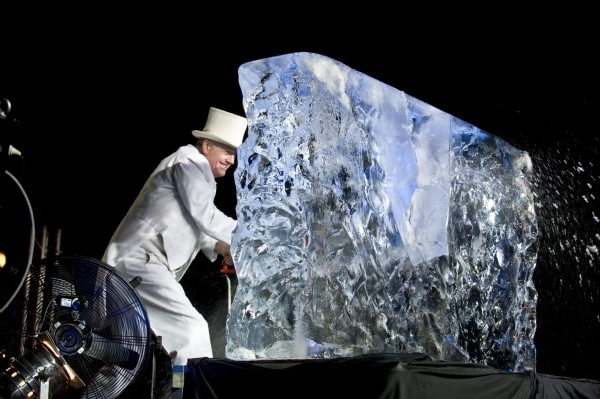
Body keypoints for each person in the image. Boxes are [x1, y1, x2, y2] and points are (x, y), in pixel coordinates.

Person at [101, 107, 247, 367]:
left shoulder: (197, 174)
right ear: (205, 145)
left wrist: (224, 248)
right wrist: (253, 236)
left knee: (126, 362)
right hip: (139, 263)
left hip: (140, 267)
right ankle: (190, 392)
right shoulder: (188, 161)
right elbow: (206, 216)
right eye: (227, 151)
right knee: (192, 334)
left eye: (234, 153)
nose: (231, 160)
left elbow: (198, 229)